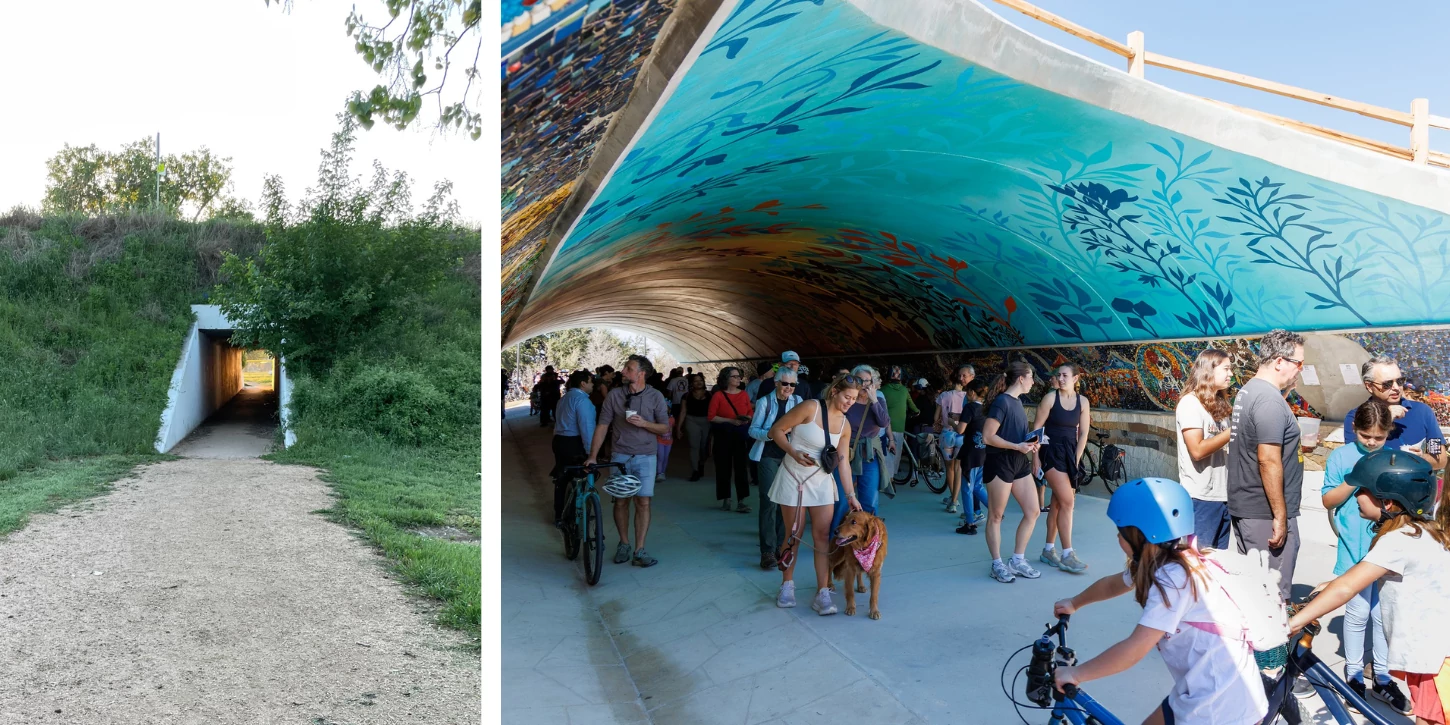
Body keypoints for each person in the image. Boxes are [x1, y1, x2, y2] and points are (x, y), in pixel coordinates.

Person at [1052, 478, 1270, 725]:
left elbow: (1134, 649)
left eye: (1121, 532)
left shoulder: (1173, 580)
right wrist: (1075, 602)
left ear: (1141, 536)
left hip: (1219, 708)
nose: (1117, 538)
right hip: (1205, 690)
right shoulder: (1170, 560)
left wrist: (1076, 673)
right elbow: (1113, 584)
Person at [1288, 448, 1440, 720]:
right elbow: (1358, 575)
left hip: (1435, 661)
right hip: (1437, 653)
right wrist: (1334, 581)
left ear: (1388, 503)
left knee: (1430, 718)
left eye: (1363, 490)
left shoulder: (1396, 541)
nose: (1356, 495)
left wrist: (1293, 624)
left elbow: (1347, 589)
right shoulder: (1422, 531)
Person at [1317, 399, 1411, 710]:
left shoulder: (1394, 458)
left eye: (1378, 438)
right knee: (1357, 614)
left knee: (1382, 615)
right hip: (1353, 547)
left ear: (1388, 434)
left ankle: (1382, 677)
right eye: (1365, 436)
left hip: (1387, 548)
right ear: (1355, 430)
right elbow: (1329, 500)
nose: (1371, 443)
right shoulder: (1341, 456)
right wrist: (1353, 478)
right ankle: (1354, 675)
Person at [767, 374, 863, 615]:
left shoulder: (845, 424)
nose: (850, 402)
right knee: (793, 534)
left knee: (822, 536)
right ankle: (787, 585)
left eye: (854, 399)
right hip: (794, 477)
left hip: (820, 482)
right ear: (834, 392)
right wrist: (793, 451)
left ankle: (822, 592)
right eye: (847, 397)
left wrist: (851, 494)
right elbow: (776, 430)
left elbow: (843, 463)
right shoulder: (810, 407)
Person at [1227, 329, 1306, 602]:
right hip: (1264, 513)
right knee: (1272, 596)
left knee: (1254, 588)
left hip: (1250, 507)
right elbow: (1267, 459)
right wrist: (1280, 516)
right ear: (1279, 361)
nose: (1301, 370)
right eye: (1299, 363)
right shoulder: (1268, 399)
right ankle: (1271, 646)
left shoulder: (1251, 390)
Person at [584, 355, 671, 568]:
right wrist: (593, 456)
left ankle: (639, 549)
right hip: (620, 456)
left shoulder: (655, 396)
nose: (623, 371)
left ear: (641, 373)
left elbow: (665, 427)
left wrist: (644, 423)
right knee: (621, 501)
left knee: (643, 502)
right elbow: (602, 426)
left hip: (646, 457)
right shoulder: (614, 395)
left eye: (628, 368)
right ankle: (624, 544)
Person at [983, 362, 1043, 583]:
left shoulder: (1017, 402)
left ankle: (1017, 560)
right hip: (1000, 463)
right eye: (1031, 377)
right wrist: (1018, 446)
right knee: (996, 516)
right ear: (1020, 378)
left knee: (1033, 511)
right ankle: (997, 564)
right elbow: (988, 437)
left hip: (1019, 462)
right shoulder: (1001, 402)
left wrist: (1031, 443)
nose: (1033, 382)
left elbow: (1015, 435)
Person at [1034, 364, 1092, 574]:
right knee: (1068, 501)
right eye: (1058, 375)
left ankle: (1048, 550)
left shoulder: (1083, 402)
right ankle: (1067, 554)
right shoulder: (1050, 398)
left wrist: (1076, 459)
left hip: (1070, 454)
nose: (1060, 379)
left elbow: (1084, 433)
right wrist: (1035, 458)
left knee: (1057, 503)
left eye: (1065, 375)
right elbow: (1037, 429)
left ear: (1076, 378)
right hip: (1050, 452)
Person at [1343, 355, 1447, 472]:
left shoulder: (1423, 411)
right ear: (1370, 386)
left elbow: (1441, 460)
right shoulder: (1356, 416)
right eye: (1387, 384)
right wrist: (1385, 419)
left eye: (1400, 381)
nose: (1396, 388)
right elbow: (1354, 462)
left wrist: (1420, 458)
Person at [1175, 349, 1234, 549]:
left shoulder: (1219, 404)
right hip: (1201, 498)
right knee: (1198, 563)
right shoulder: (1190, 404)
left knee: (1217, 564)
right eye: (1226, 368)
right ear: (1209, 370)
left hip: (1223, 497)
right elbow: (1197, 450)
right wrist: (1233, 431)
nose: (1231, 374)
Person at [748, 367, 802, 569]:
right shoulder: (765, 402)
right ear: (776, 383)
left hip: (790, 456)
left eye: (793, 384)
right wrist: (772, 435)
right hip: (769, 455)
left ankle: (781, 546)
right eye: (785, 383)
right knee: (769, 501)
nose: (789, 388)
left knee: (786, 502)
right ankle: (767, 551)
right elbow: (753, 430)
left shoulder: (799, 403)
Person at [833, 365, 892, 534]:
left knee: (869, 501)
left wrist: (873, 400)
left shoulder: (878, 401)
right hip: (847, 453)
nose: (864, 384)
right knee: (842, 502)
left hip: (869, 456)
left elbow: (884, 422)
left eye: (868, 381)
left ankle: (868, 541)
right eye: (860, 380)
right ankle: (836, 541)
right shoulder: (848, 400)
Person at [551, 370, 596, 527]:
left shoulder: (563, 399)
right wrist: (592, 452)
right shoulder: (582, 401)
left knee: (562, 477)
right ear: (583, 383)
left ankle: (559, 515)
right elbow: (587, 428)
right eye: (591, 382)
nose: (592, 385)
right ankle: (575, 513)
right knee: (581, 476)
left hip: (559, 440)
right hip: (574, 442)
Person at [708, 367, 754, 513]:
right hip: (724, 434)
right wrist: (730, 420)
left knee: (741, 467)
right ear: (726, 378)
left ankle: (742, 500)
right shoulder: (718, 396)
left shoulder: (744, 395)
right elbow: (711, 416)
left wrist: (747, 419)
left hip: (739, 434)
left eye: (739, 376)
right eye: (734, 376)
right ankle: (725, 498)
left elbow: (749, 412)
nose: (738, 379)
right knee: (723, 467)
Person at [953, 378, 990, 535]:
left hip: (970, 453)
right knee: (978, 486)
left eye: (968, 391)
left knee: (967, 488)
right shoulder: (987, 408)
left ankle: (970, 523)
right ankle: (996, 511)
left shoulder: (969, 407)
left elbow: (960, 429)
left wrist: (951, 421)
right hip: (983, 451)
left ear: (973, 393)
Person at [936, 365, 974, 514]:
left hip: (947, 434)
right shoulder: (968, 396)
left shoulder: (943, 396)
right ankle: (954, 500)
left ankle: (953, 498)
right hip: (962, 434)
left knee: (949, 468)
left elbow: (935, 417)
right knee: (958, 468)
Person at [880, 366, 919, 489]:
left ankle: (889, 479)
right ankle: (891, 478)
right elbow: (912, 406)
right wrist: (917, 411)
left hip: (885, 427)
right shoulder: (904, 390)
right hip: (900, 427)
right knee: (896, 454)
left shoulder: (883, 390)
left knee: (886, 455)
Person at [678, 374, 712, 481]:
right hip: (691, 420)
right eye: (696, 381)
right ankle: (695, 470)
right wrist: (678, 428)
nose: (699, 382)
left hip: (706, 421)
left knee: (704, 447)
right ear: (691, 383)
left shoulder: (710, 395)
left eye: (700, 380)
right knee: (694, 446)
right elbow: (683, 411)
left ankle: (701, 463)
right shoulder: (686, 396)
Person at [656, 403, 675, 484]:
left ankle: (663, 472)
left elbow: (672, 429)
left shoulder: (672, 419)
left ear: (669, 410)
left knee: (665, 457)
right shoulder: (657, 419)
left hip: (669, 441)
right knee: (660, 457)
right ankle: (659, 473)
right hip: (659, 441)